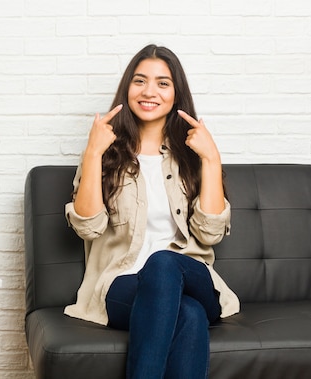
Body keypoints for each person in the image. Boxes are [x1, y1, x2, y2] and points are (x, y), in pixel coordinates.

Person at [64, 44, 240, 379]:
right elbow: (88, 227)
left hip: (192, 277)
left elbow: (210, 234)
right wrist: (92, 153)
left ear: (176, 94)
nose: (149, 92)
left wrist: (211, 159)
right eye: (140, 81)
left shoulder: (192, 155)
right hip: (122, 282)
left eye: (162, 83)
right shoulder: (106, 154)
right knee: (188, 315)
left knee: (163, 262)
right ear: (127, 88)